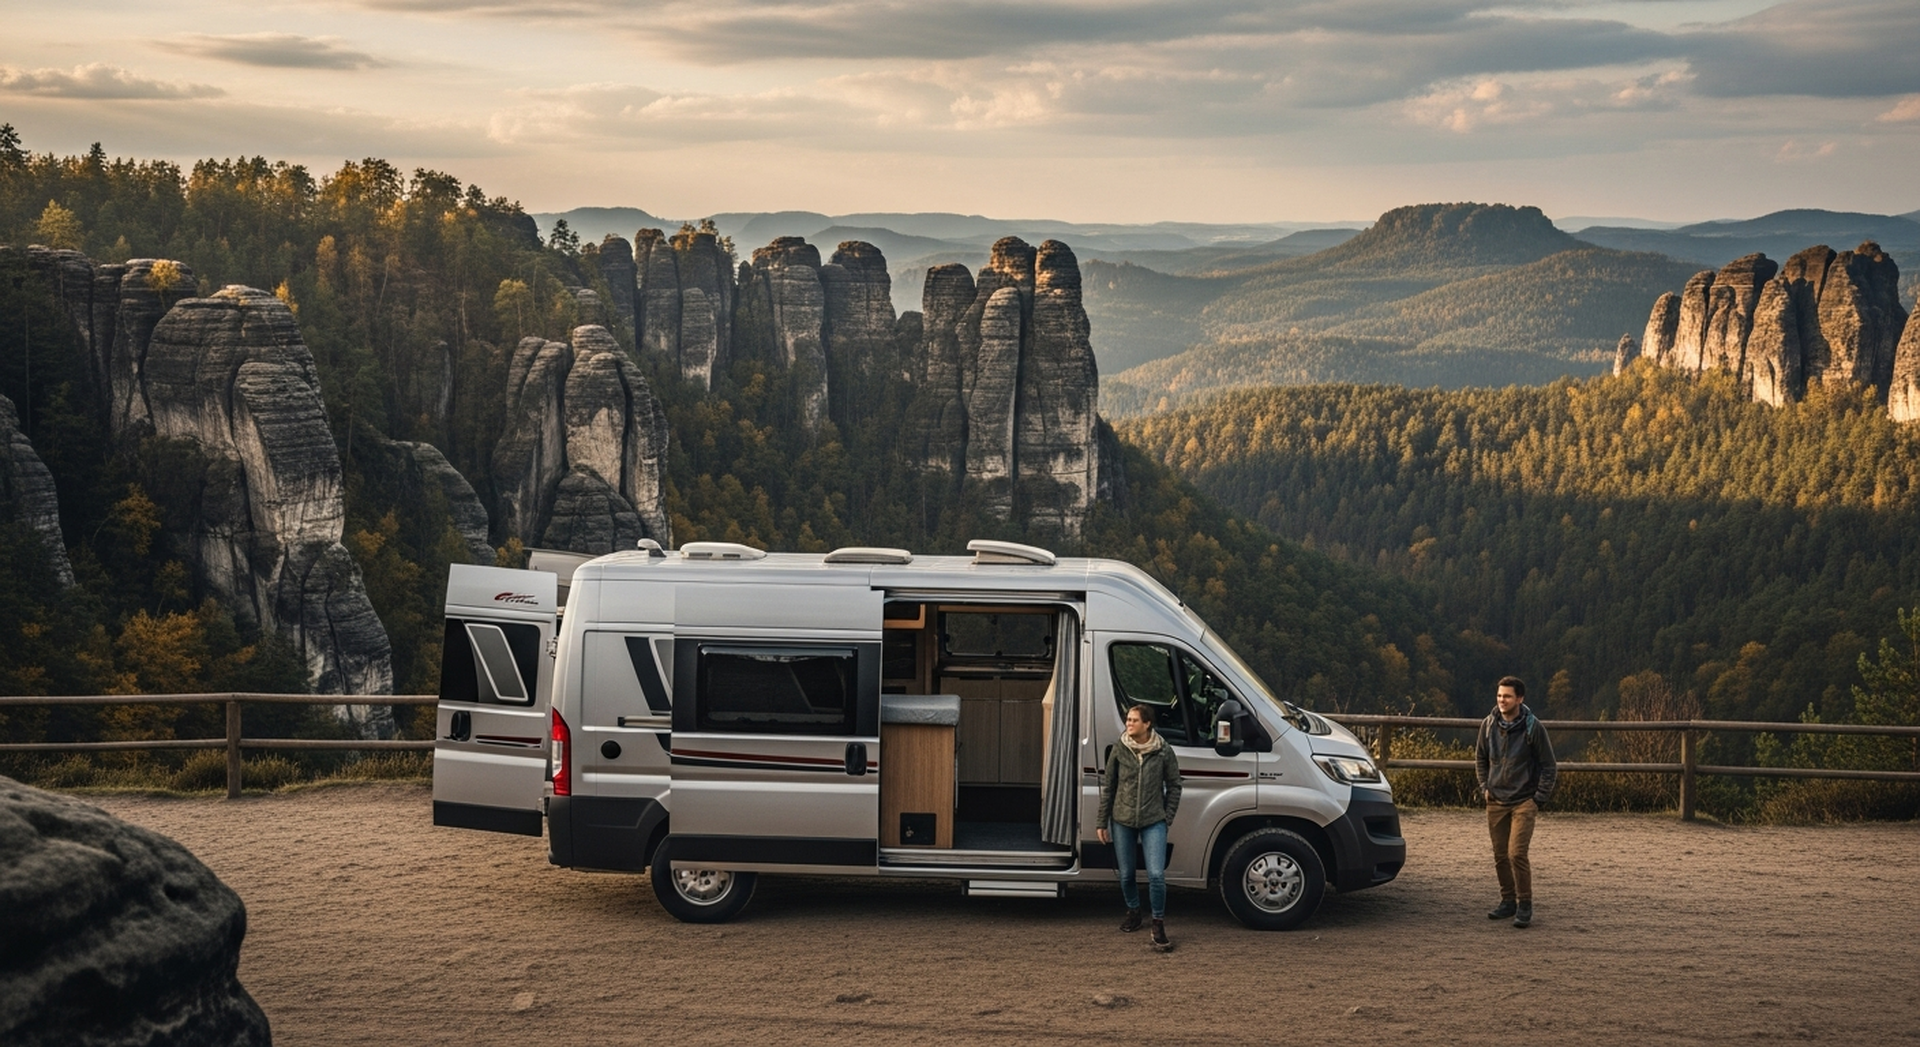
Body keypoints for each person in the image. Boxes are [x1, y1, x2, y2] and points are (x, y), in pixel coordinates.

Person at [1097, 703, 1183, 951]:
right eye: (1128, 719)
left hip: (1153, 820)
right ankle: (1134, 911)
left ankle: (1158, 922)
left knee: (1156, 874)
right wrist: (1102, 821)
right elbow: (1109, 787)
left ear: (1147, 724)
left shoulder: (1163, 751)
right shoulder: (1119, 749)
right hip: (1122, 820)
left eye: (1134, 720)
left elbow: (1175, 785)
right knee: (1126, 874)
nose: (1129, 723)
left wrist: (1167, 817)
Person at [1475, 675, 1558, 928]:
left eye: (1507, 696)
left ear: (1519, 699)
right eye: (1499, 695)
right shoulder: (1488, 725)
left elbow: (1549, 766)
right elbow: (1480, 758)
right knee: (1500, 855)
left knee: (1516, 854)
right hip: (1496, 799)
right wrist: (1484, 787)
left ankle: (1525, 904)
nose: (1502, 700)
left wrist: (1538, 798)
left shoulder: (1534, 728)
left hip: (1524, 800)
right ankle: (1507, 901)